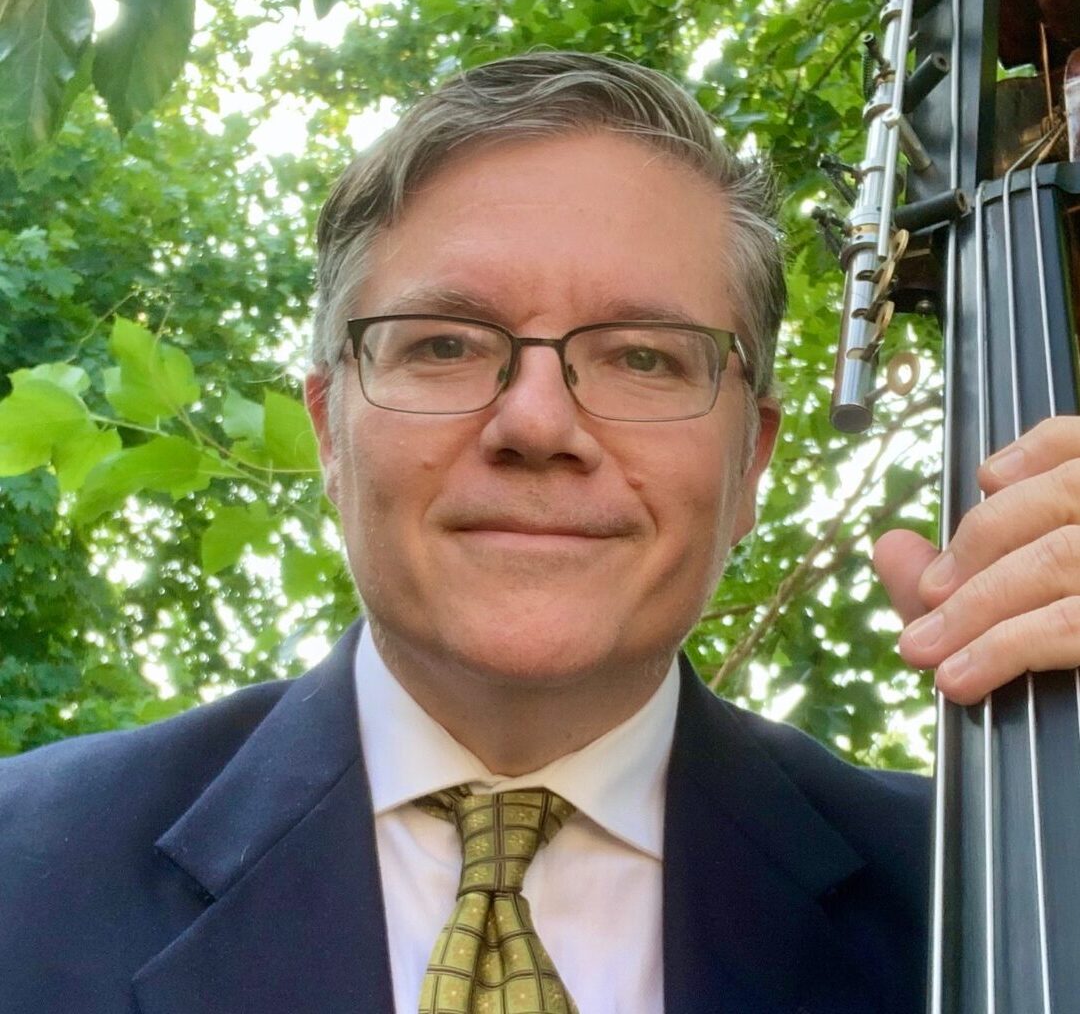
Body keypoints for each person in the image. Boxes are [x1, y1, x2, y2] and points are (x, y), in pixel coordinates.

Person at [3, 51, 1079, 1014]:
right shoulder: (23, 867)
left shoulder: (989, 891)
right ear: (330, 431)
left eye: (643, 357)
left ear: (749, 462)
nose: (535, 425)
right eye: (444, 345)